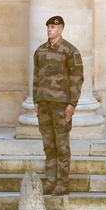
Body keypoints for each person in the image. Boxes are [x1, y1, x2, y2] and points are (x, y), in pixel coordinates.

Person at [31, 16, 83, 196]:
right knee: (48, 145)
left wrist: (72, 103)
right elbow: (37, 77)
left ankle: (62, 182)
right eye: (48, 27)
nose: (49, 29)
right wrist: (36, 100)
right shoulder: (40, 51)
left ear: (61, 30)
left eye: (53, 27)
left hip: (61, 104)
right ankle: (50, 180)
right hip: (44, 104)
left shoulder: (70, 51)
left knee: (61, 145)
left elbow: (77, 79)